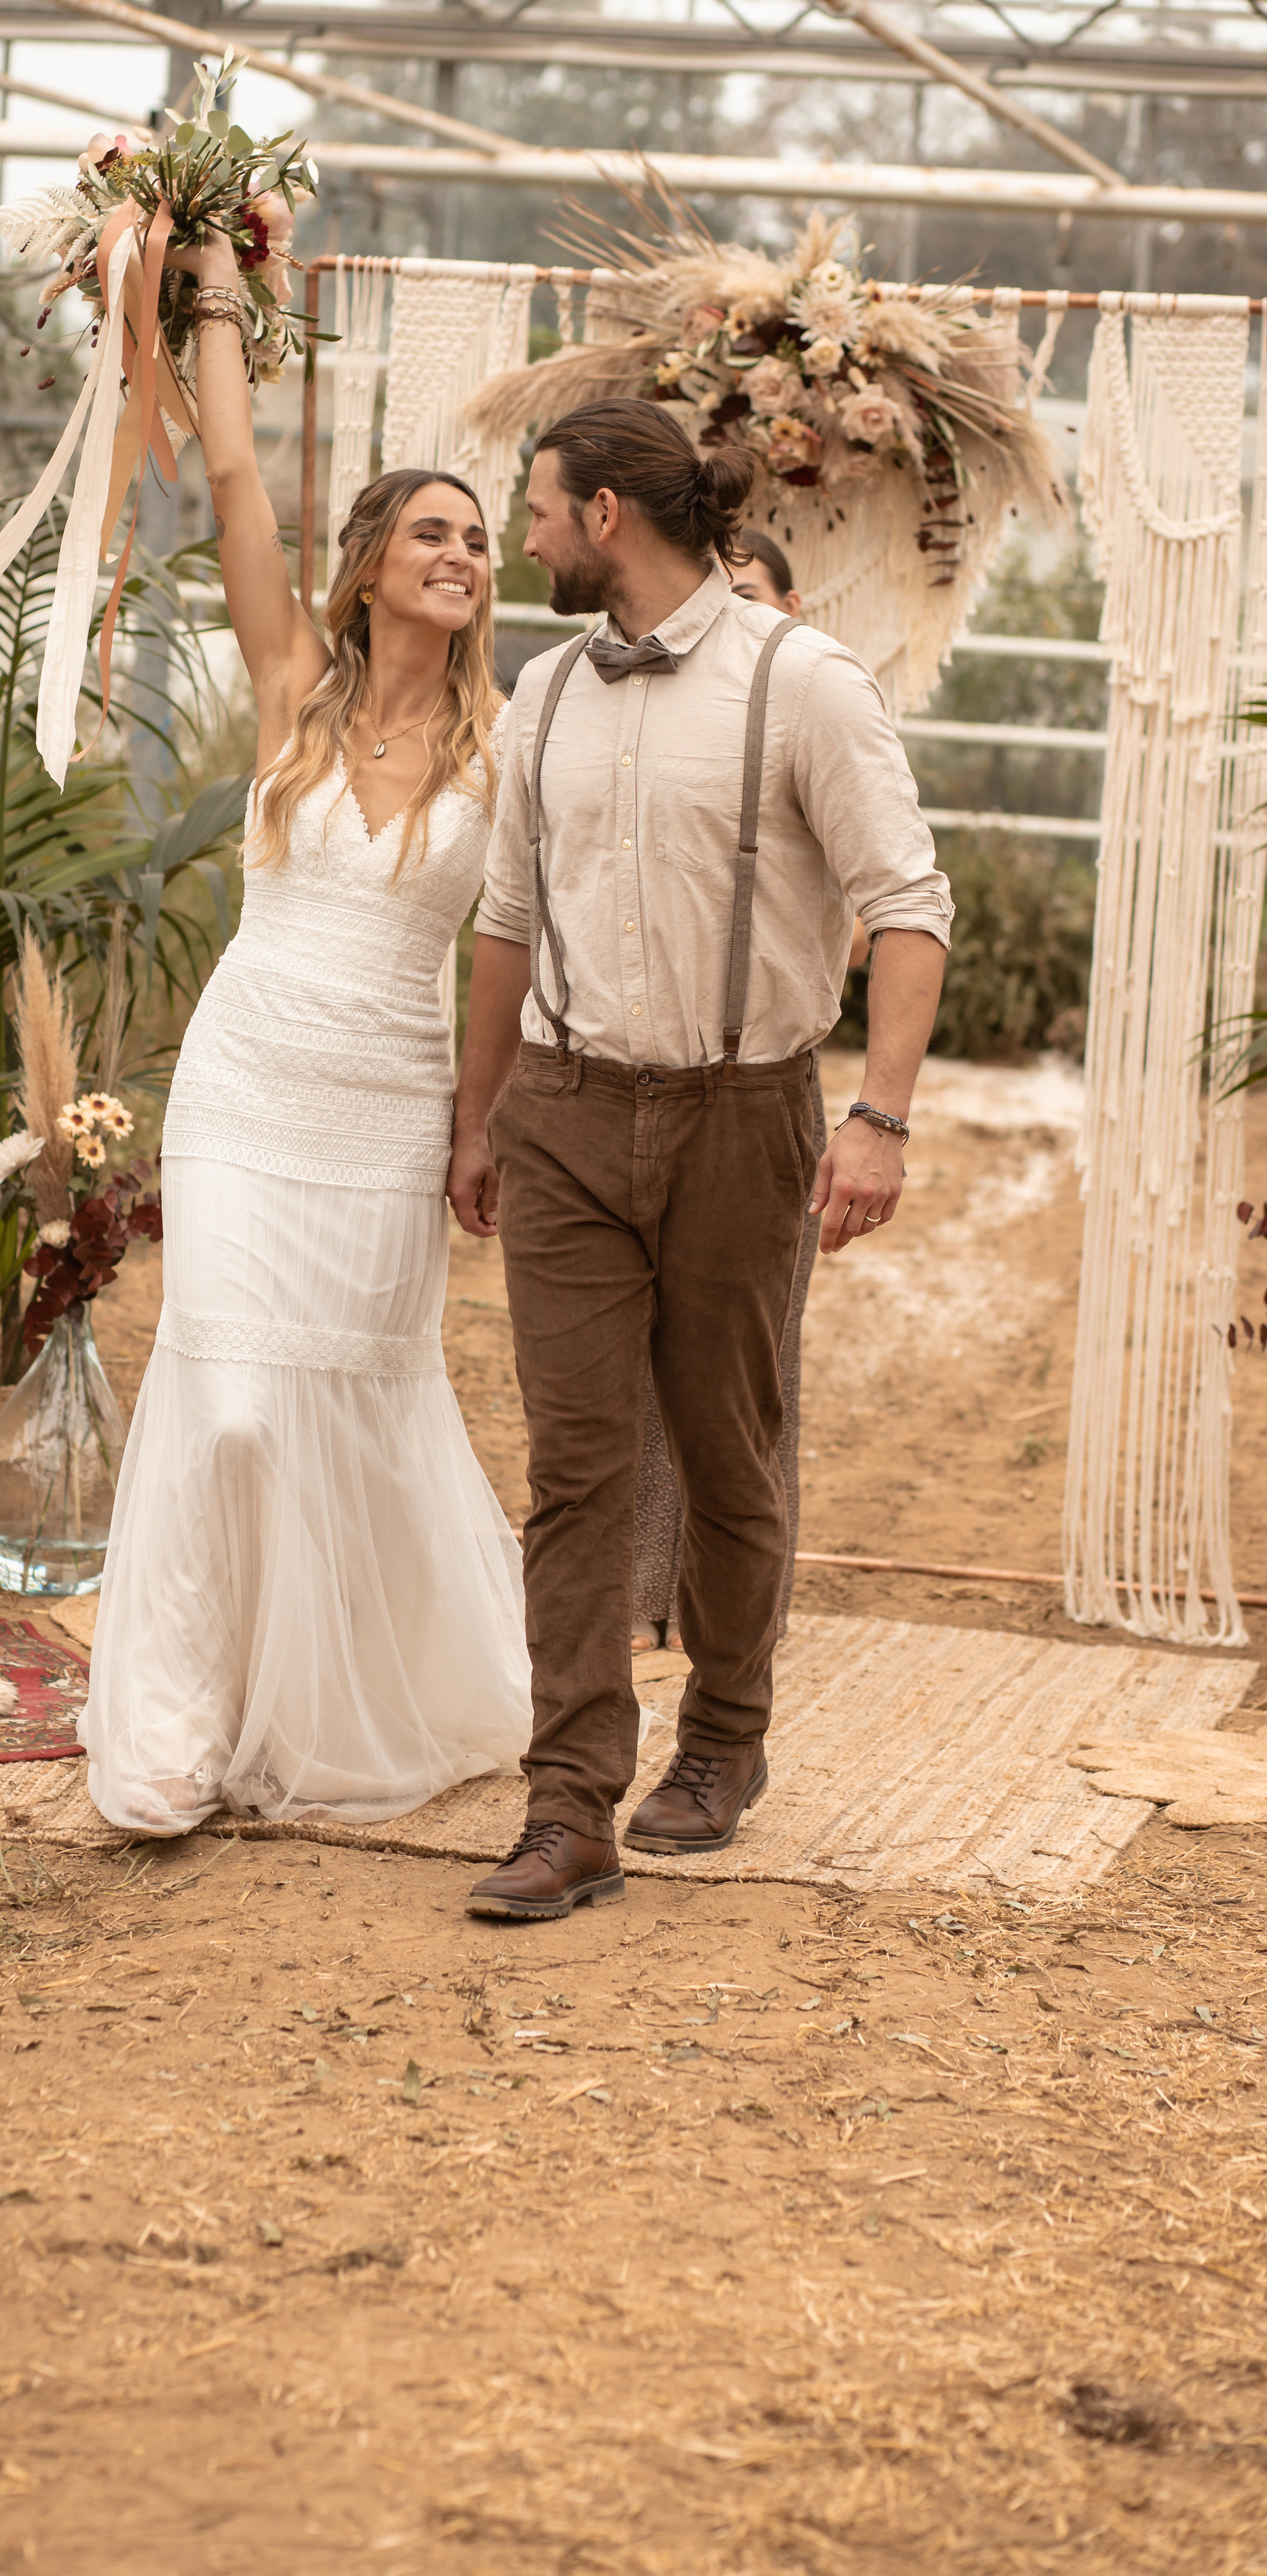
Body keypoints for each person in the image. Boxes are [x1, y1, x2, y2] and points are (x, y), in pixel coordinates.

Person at [450, 397, 949, 1920]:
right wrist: (474, 1119)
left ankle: (724, 1739)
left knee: (728, 1451)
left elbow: (908, 906)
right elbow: (503, 924)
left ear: (606, 514)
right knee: (577, 1467)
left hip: (744, 1117)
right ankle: (567, 1805)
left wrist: (875, 1118)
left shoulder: (801, 685)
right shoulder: (540, 696)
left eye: (536, 508)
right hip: (566, 1114)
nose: (519, 537)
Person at [78, 225, 531, 1836]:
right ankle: (176, 1728)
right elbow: (234, 487)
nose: (463, 554)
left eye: (480, 538)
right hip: (247, 1085)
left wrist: (479, 1127)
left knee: (349, 1403)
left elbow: (507, 955)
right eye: (431, 529)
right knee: (232, 1402)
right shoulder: (290, 686)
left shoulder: (508, 746)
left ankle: (349, 1692)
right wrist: (207, 284)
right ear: (365, 564)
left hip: (389, 1109)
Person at [631, 525, 859, 1652]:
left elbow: (863, 916)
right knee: (628, 1371)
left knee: (748, 1374)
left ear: (789, 604)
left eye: (747, 591)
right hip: (628, 1085)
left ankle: (729, 1613)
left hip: (759, 1081)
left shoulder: (816, 716)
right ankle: (641, 1592)